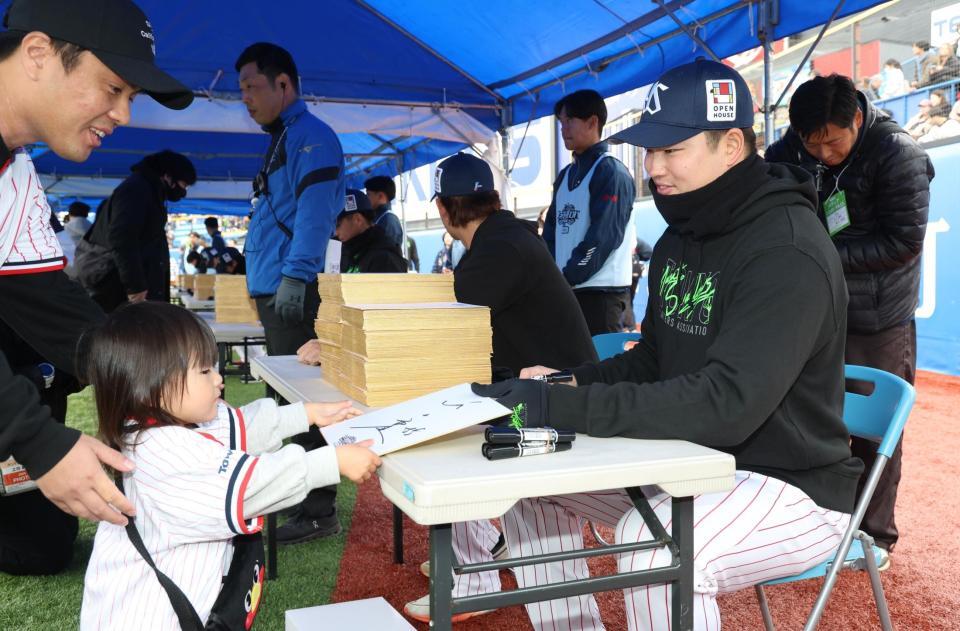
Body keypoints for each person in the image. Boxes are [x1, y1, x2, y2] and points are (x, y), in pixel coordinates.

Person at [471, 59, 862, 631]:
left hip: (792, 484)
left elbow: (723, 405)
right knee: (532, 484)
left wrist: (560, 408)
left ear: (731, 145)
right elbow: (652, 360)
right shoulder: (682, 234)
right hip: (690, 461)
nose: (653, 168)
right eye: (649, 151)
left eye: (670, 151)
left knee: (655, 543)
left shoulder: (788, 251)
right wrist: (558, 383)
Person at [0, 0, 194, 575]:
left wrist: (150, 373)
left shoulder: (16, 171)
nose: (125, 114)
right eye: (113, 89)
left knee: (41, 548)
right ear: (38, 53)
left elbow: (44, 299)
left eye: (131, 97)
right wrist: (34, 438)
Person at [78, 302, 380, 630]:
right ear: (151, 385)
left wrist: (307, 414)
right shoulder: (162, 452)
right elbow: (252, 486)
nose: (219, 379)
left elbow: (237, 428)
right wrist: (331, 461)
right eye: (205, 371)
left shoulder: (166, 422)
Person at [404, 152, 598, 623]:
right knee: (454, 415)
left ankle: (474, 579)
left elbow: (442, 322)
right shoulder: (503, 238)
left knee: (447, 435)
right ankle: (476, 562)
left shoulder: (500, 248)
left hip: (560, 403)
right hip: (548, 391)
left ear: (445, 209)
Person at [766, 73, 933, 561]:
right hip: (814, 310)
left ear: (856, 118)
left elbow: (904, 241)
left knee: (873, 428)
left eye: (833, 142)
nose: (822, 154)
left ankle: (873, 536)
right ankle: (816, 525)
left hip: (877, 316)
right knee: (811, 418)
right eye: (811, 143)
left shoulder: (897, 153)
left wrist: (821, 252)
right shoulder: (791, 149)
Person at [237, 42, 347, 544]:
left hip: (291, 289)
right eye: (241, 89)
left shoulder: (310, 139)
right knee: (287, 399)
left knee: (304, 401)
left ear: (284, 85)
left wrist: (296, 276)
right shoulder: (286, 137)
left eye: (251, 87)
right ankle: (299, 494)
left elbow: (315, 212)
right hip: (276, 286)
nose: (246, 99)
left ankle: (319, 507)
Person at [543, 89, 637, 335]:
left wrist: (569, 275)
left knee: (601, 370)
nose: (563, 129)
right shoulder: (564, 177)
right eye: (561, 122)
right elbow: (550, 234)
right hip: (568, 290)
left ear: (592, 122)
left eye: (569, 121)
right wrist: (552, 276)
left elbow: (603, 236)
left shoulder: (610, 171)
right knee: (568, 369)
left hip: (602, 294)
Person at [77, 150, 196, 312]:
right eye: (184, 184)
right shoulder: (137, 190)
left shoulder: (148, 191)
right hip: (119, 290)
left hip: (128, 288)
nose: (184, 191)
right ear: (168, 176)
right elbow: (122, 239)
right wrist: (135, 287)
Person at [334, 189, 407, 273]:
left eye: (337, 225)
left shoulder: (384, 259)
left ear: (357, 219)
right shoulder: (350, 253)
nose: (335, 232)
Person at [364, 175, 404, 248]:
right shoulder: (377, 217)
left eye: (368, 194)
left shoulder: (389, 220)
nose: (366, 198)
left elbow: (388, 255)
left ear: (380, 196)